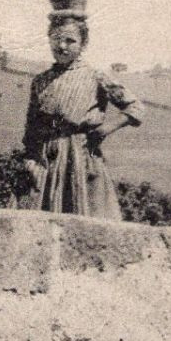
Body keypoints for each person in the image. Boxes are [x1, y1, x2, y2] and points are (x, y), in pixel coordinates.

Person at [21, 18, 140, 219]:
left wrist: (105, 129)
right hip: (46, 161)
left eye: (70, 41)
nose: (62, 46)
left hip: (81, 157)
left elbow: (135, 107)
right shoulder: (40, 81)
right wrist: (30, 159)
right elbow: (32, 126)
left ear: (83, 44)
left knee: (84, 216)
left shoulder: (96, 77)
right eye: (56, 39)